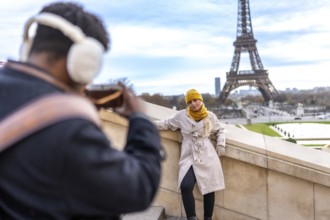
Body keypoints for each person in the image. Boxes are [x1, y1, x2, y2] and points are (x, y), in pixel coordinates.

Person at [0, 2, 164, 219]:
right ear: (84, 60)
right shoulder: (70, 129)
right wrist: (140, 120)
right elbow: (139, 188)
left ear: (29, 47)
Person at [154, 89, 226, 220]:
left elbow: (220, 130)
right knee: (185, 186)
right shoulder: (182, 116)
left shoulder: (210, 116)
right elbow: (167, 124)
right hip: (189, 154)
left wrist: (221, 144)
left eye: (195, 100)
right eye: (190, 102)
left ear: (201, 100)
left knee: (209, 188)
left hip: (207, 153)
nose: (193, 103)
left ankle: (207, 218)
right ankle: (191, 218)